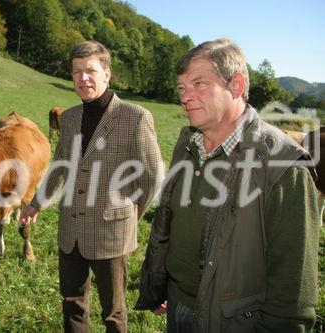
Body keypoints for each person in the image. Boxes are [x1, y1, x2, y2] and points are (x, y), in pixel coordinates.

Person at [135, 38, 320, 332]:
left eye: (199, 84)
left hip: (235, 322)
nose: (185, 97)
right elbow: (169, 223)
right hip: (177, 303)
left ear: (235, 85)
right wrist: (162, 283)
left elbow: (292, 288)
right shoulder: (187, 144)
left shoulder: (283, 165)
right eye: (182, 88)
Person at [20, 40, 164, 332]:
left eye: (90, 70)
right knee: (72, 304)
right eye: (76, 72)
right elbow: (59, 166)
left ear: (106, 74)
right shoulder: (70, 118)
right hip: (70, 229)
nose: (83, 78)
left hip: (112, 231)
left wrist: (129, 215)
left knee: (113, 311)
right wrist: (36, 202)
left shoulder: (135, 117)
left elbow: (151, 178)